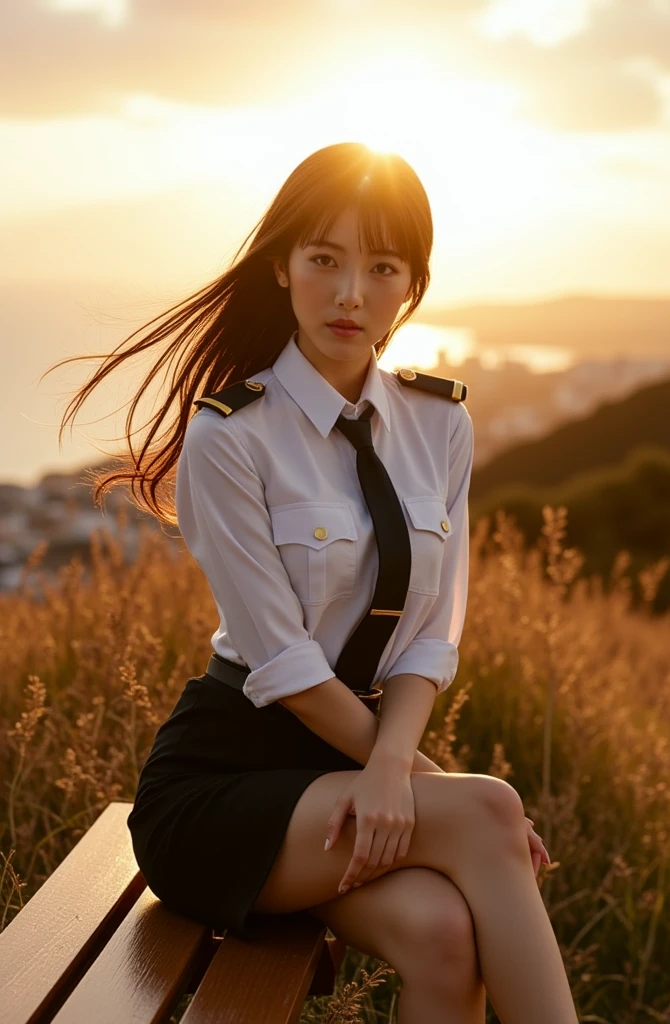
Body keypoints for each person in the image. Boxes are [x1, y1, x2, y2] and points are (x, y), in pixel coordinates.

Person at [49, 142, 578, 1023]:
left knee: (446, 932)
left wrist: (398, 775)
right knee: (493, 815)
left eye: (382, 268)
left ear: (411, 286)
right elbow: (286, 665)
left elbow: (431, 635)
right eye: (324, 260)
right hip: (224, 788)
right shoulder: (232, 435)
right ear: (282, 266)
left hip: (348, 772)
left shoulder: (439, 424)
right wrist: (413, 777)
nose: (349, 293)